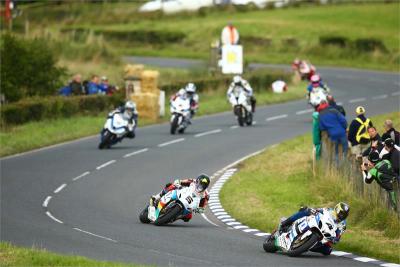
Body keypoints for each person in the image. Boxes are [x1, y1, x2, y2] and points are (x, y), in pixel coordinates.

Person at [279, 202, 350, 255]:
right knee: (305, 210)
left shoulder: (343, 224)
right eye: (341, 213)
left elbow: (338, 236)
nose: (342, 216)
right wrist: (313, 210)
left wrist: (335, 239)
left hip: (324, 234)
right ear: (337, 209)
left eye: (344, 215)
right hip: (317, 223)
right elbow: (319, 210)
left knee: (328, 250)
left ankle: (306, 246)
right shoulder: (329, 210)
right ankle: (285, 222)